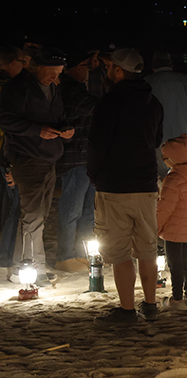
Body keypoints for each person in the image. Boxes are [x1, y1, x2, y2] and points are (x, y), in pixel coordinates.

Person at [88, 48, 164, 323]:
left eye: (109, 67)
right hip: (146, 185)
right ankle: (151, 304)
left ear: (118, 71)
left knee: (120, 251)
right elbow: (156, 140)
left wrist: (94, 175)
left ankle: (127, 309)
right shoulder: (153, 103)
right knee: (147, 248)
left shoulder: (109, 103)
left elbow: (97, 143)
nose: (107, 71)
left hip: (115, 186)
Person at [0, 47, 73, 282]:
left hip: (49, 156)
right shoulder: (18, 87)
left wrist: (66, 129)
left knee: (38, 215)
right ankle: (32, 269)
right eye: (52, 72)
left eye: (59, 73)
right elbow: (4, 118)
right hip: (28, 157)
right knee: (32, 216)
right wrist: (36, 131)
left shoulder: (52, 87)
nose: (56, 78)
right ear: (37, 67)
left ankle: (24, 265)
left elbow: (57, 115)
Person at [55, 51, 98, 272]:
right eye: (86, 66)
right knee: (72, 208)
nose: (88, 70)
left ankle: (82, 253)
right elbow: (95, 107)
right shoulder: (71, 89)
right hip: (75, 157)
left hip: (85, 157)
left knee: (88, 209)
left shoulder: (75, 88)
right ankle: (65, 255)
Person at [156, 135, 187, 310]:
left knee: (175, 265)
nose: (163, 160)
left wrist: (155, 228)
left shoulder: (174, 178)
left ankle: (176, 299)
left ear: (173, 158)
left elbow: (164, 208)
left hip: (173, 229)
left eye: (165, 157)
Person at [145, 51, 187, 176]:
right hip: (184, 135)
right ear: (171, 64)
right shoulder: (186, 81)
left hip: (156, 136)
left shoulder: (147, 83)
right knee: (183, 173)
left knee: (160, 174)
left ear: (153, 66)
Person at [0, 47, 28, 276]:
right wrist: (10, 165)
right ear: (11, 63)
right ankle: (6, 262)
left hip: (6, 156)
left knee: (10, 209)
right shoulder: (9, 90)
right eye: (22, 61)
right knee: (14, 210)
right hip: (7, 157)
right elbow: (10, 130)